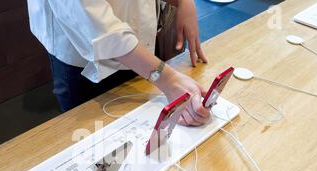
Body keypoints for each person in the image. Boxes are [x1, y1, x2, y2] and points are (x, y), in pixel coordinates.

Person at [27, 0, 210, 126]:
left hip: (141, 43)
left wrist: (185, 2)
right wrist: (168, 80)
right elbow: (91, 18)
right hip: (83, 59)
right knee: (94, 144)